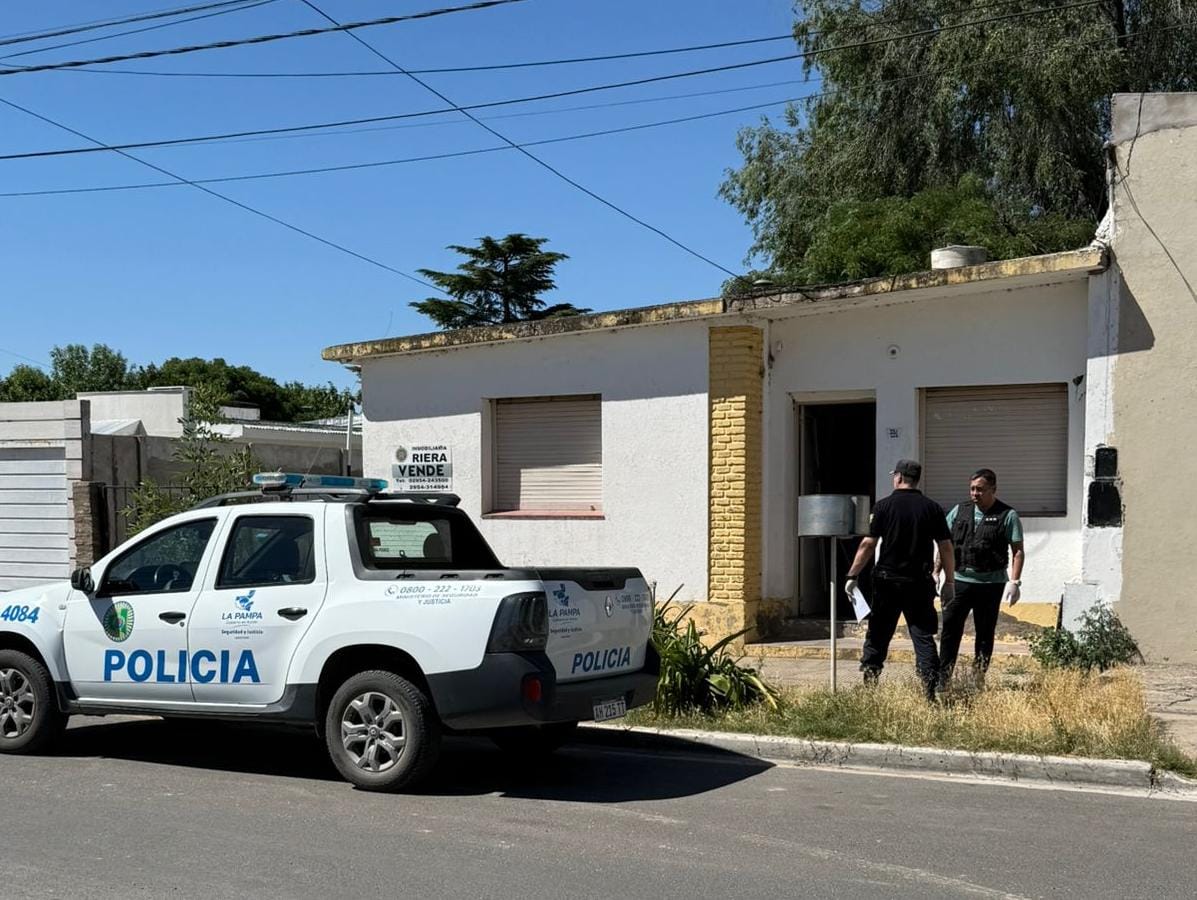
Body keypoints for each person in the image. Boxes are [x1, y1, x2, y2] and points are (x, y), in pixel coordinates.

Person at [844, 459, 955, 700]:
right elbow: (946, 546)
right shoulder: (932, 508)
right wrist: (949, 582)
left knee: (878, 634)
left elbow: (868, 544)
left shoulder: (883, 507)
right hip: (919, 583)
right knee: (923, 636)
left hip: (887, 583)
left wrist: (852, 575)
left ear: (899, 477)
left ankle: (870, 685)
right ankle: (929, 692)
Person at [936, 468, 1024, 687]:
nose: (975, 494)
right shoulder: (959, 511)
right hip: (959, 582)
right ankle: (943, 679)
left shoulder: (1008, 515)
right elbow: (946, 544)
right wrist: (936, 571)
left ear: (993, 489)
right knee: (950, 631)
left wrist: (1015, 582)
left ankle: (978, 678)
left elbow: (1018, 551)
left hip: (991, 584)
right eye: (972, 489)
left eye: (980, 490)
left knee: (984, 633)